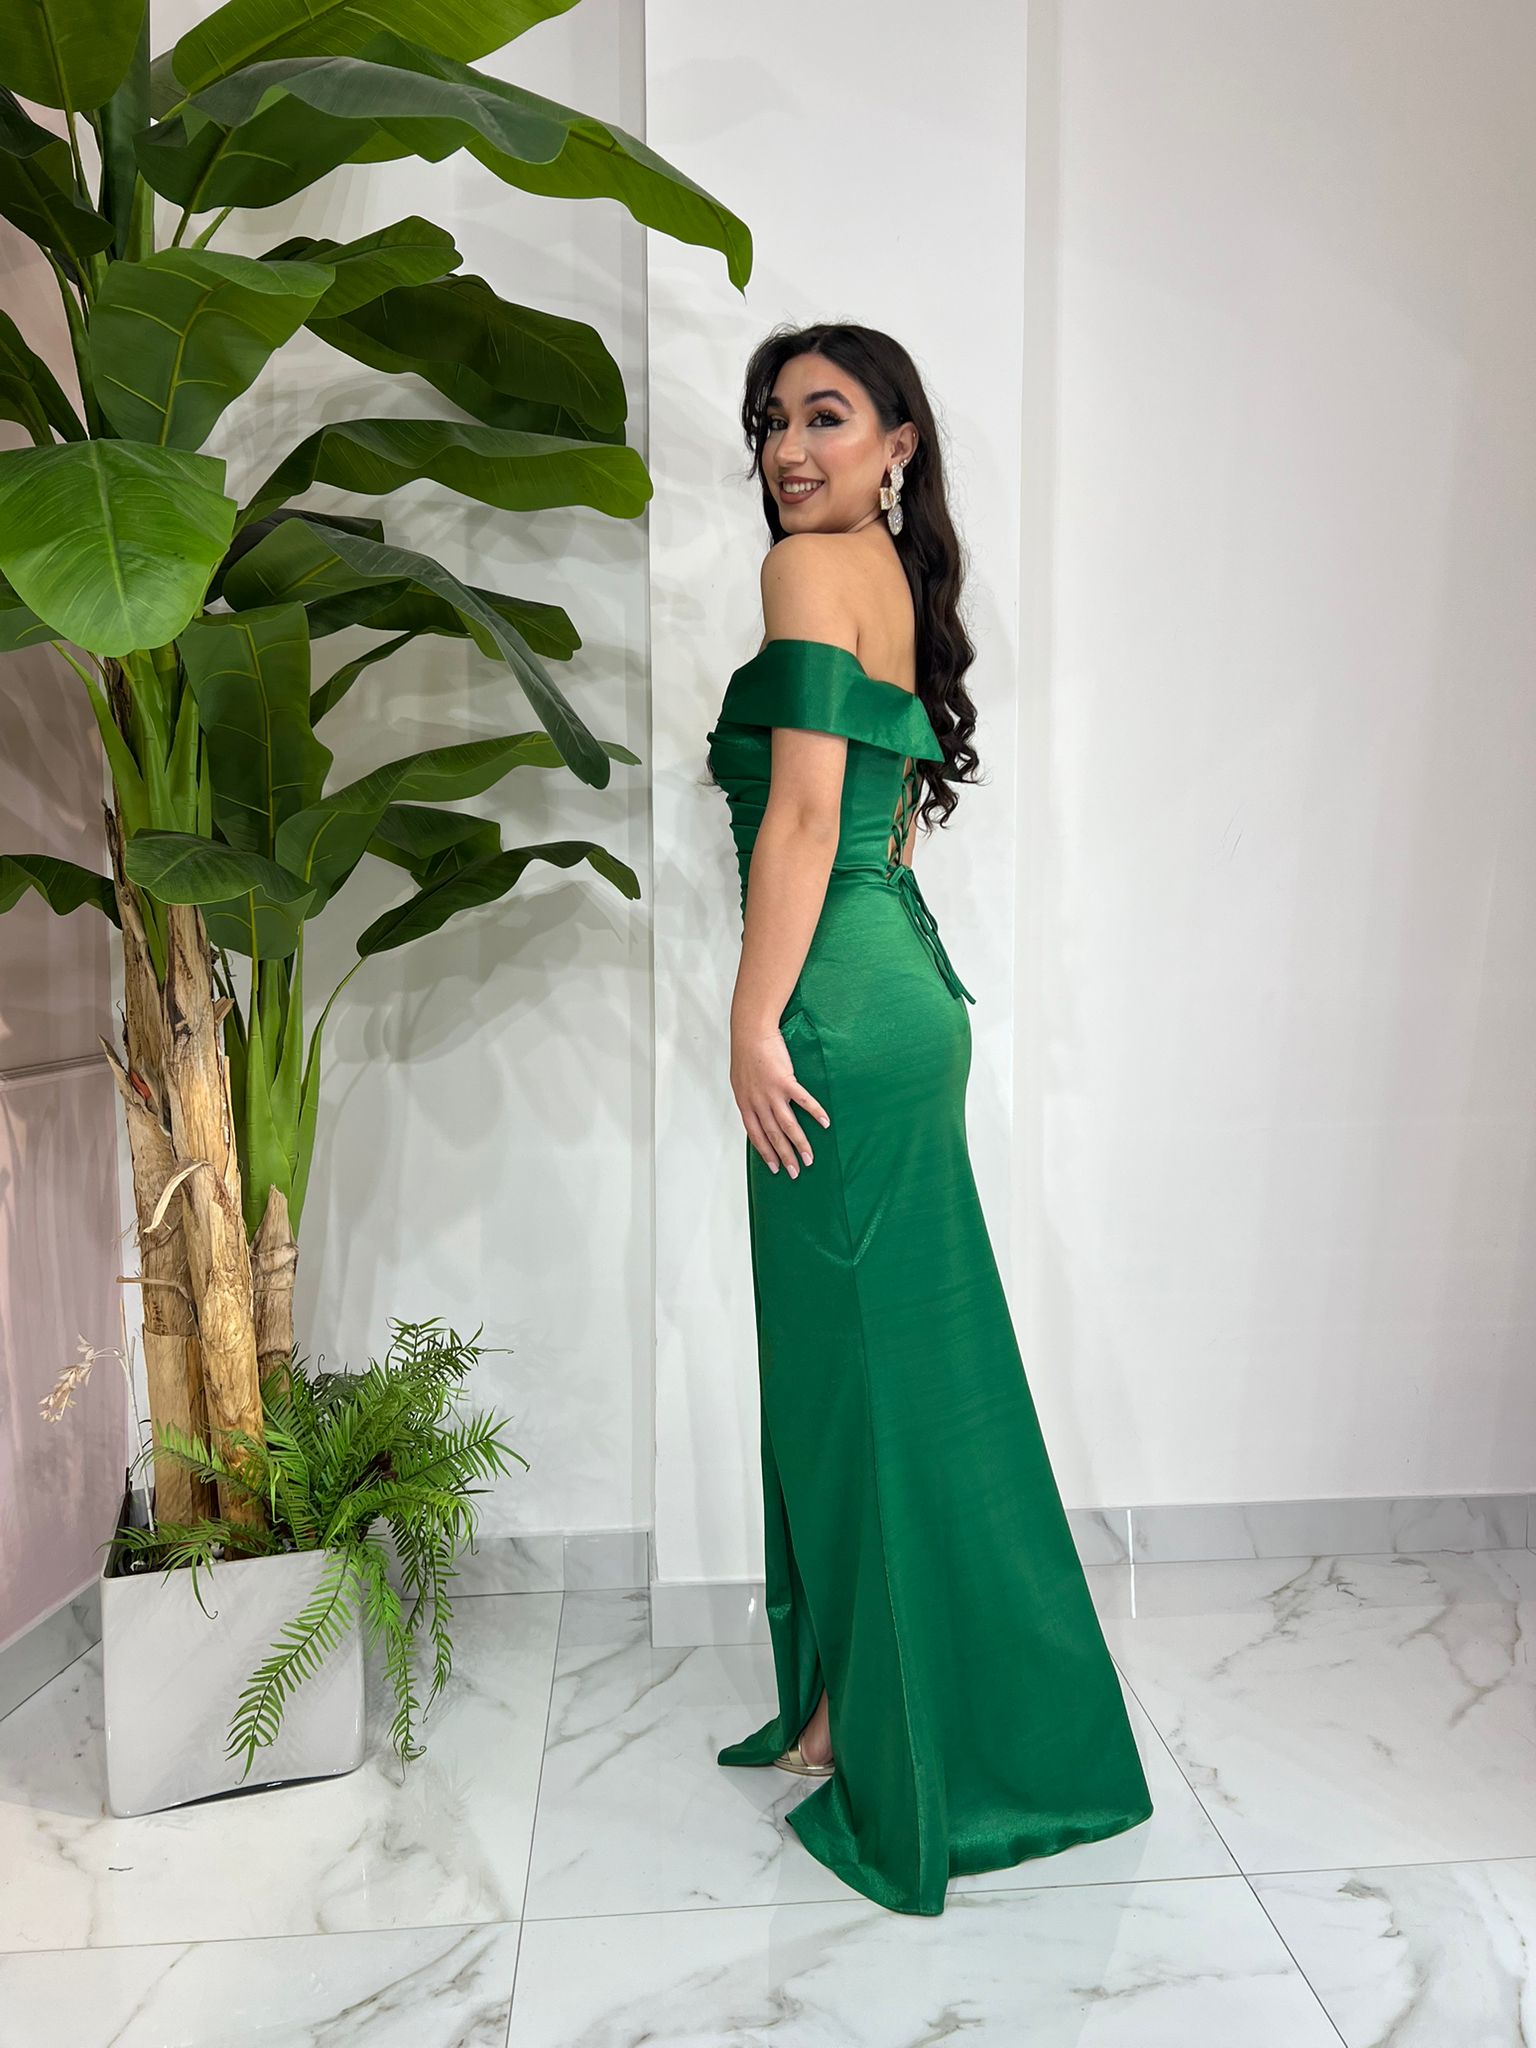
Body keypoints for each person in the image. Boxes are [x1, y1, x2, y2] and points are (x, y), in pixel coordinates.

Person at [704, 324, 1154, 1917]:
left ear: (899, 442)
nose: (790, 449)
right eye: (772, 421)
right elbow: (868, 822)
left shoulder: (803, 572)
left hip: (833, 1007)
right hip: (901, 993)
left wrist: (752, 1018)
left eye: (826, 418)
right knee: (888, 1379)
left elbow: (805, 816)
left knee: (865, 1389)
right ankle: (853, 1704)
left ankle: (910, 1737)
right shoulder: (884, 578)